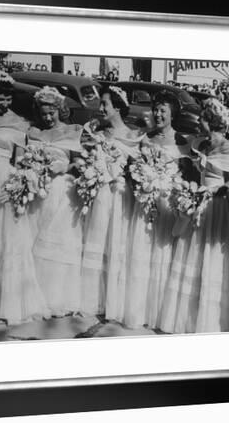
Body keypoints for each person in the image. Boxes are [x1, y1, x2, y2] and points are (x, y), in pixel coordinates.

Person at [160, 98, 229, 333]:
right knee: (193, 255)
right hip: (198, 205)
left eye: (203, 118)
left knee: (212, 256)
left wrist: (217, 190)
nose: (199, 123)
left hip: (217, 206)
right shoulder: (200, 145)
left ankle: (210, 318)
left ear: (212, 121)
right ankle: (188, 314)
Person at [124, 91, 197, 329]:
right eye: (156, 109)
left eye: (163, 110)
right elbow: (133, 168)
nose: (158, 114)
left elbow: (188, 176)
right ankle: (137, 309)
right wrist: (141, 180)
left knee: (161, 253)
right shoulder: (146, 139)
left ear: (173, 113)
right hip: (145, 202)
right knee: (142, 251)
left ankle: (157, 310)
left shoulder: (182, 143)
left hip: (166, 205)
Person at [79, 86, 144, 320]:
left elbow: (138, 168)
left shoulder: (134, 136)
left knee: (116, 242)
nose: (101, 108)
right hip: (100, 193)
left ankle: (113, 300)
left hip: (120, 195)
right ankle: (91, 298)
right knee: (97, 240)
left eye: (105, 104)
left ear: (117, 107)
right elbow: (87, 158)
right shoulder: (99, 133)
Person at [0, 70, 51, 325]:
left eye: (7, 98)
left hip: (3, 180)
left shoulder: (18, 122)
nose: (3, 103)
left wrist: (18, 184)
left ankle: (6, 302)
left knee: (6, 235)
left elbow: (20, 159)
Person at [27, 86, 85, 317]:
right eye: (44, 114)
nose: (48, 117)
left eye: (51, 112)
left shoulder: (73, 132)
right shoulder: (34, 132)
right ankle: (36, 296)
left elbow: (80, 164)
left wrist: (66, 167)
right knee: (35, 240)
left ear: (60, 110)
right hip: (37, 192)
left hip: (62, 194)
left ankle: (57, 298)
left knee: (58, 245)